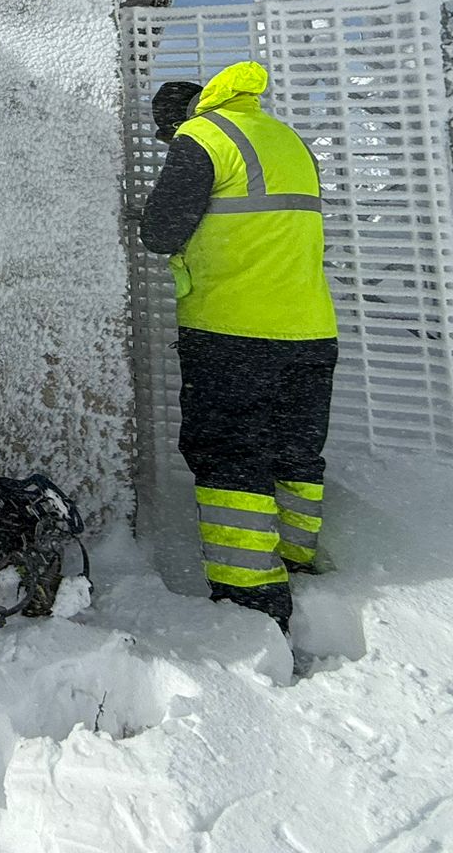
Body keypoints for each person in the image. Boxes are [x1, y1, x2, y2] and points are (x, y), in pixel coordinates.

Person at [137, 61, 338, 631]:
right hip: (311, 330)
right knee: (294, 451)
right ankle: (298, 562)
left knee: (231, 457)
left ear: (175, 120)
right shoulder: (284, 138)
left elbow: (160, 231)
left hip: (236, 333)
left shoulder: (201, 138)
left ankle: (251, 601)